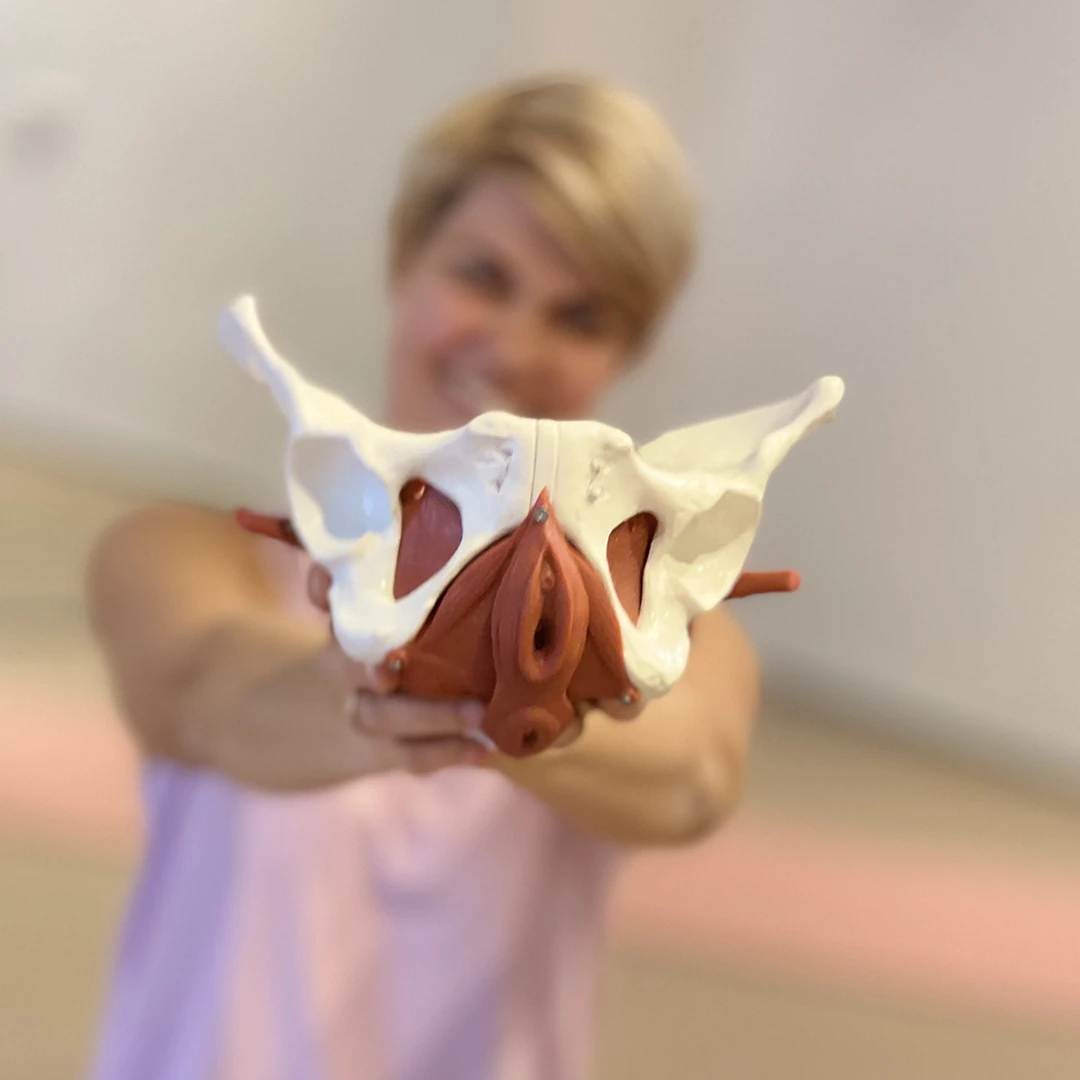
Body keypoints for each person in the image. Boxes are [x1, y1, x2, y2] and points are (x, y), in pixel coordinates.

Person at [85, 76, 761, 1080]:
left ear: (626, 353)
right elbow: (208, 695)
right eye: (483, 275)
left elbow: (694, 778)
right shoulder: (182, 553)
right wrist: (367, 684)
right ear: (406, 260)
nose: (515, 348)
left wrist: (542, 688)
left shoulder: (662, 630)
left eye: (580, 317)